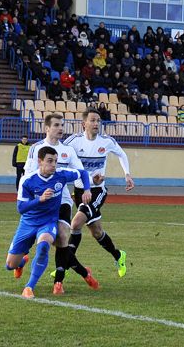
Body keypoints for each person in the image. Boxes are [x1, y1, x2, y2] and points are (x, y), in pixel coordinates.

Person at [24, 113, 99, 294]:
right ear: (47, 128)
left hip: (62, 200)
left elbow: (80, 172)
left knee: (63, 236)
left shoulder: (68, 150)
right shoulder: (36, 149)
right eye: (57, 125)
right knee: (44, 241)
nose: (61, 128)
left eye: (62, 125)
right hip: (41, 203)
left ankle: (58, 282)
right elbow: (27, 177)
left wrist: (88, 187)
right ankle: (83, 271)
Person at [6, 146, 91, 298]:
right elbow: (21, 208)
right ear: (40, 161)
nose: (54, 165)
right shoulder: (28, 180)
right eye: (50, 161)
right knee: (10, 265)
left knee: (44, 246)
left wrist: (87, 190)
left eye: (56, 161)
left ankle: (29, 287)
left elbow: (83, 173)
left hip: (48, 222)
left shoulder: (61, 175)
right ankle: (21, 262)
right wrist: (40, 199)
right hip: (28, 223)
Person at [63, 108, 134, 280]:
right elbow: (62, 159)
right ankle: (119, 256)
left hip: (98, 191)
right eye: (93, 120)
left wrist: (127, 174)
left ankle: (64, 266)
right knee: (96, 232)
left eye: (99, 121)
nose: (96, 124)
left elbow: (122, 154)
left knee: (76, 223)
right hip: (79, 191)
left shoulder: (106, 141)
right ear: (84, 123)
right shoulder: (73, 141)